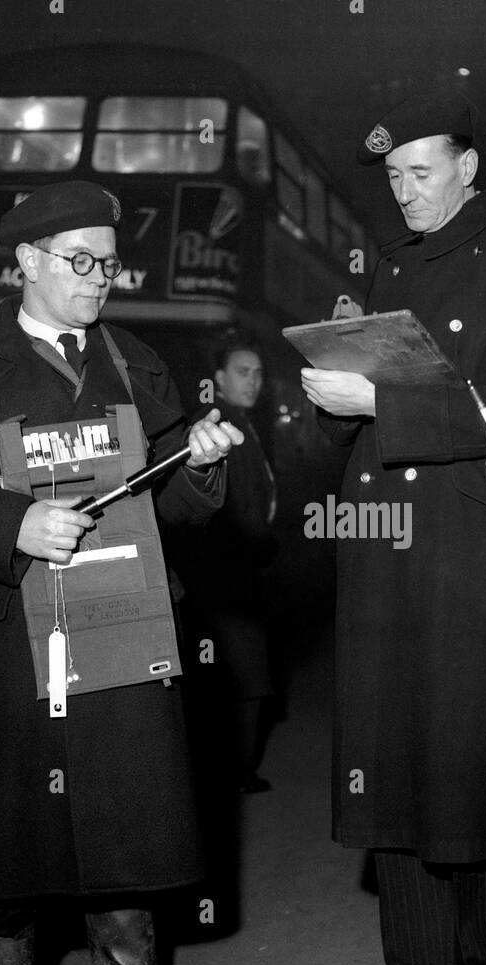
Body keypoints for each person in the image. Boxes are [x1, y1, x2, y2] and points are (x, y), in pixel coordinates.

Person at [0, 180, 243, 965]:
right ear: (26, 264)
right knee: (9, 844)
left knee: (126, 821)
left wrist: (197, 464)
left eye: (109, 263)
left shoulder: (131, 360)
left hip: (121, 626)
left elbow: (174, 503)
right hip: (10, 638)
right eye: (80, 261)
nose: (100, 279)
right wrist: (14, 524)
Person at [302, 90, 486, 965]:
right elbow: (376, 397)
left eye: (422, 173)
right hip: (383, 542)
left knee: (474, 755)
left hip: (470, 542)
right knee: (393, 747)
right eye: (392, 177)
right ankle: (414, 962)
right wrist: (330, 395)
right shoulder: (391, 263)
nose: (405, 191)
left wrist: (376, 401)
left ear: (469, 166)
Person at [180, 331, 278, 794]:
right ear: (218, 378)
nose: (253, 381)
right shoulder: (218, 423)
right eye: (243, 372)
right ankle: (227, 774)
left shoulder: (246, 421)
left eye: (258, 373)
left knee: (245, 679)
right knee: (239, 679)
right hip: (225, 580)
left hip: (240, 577)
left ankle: (234, 772)